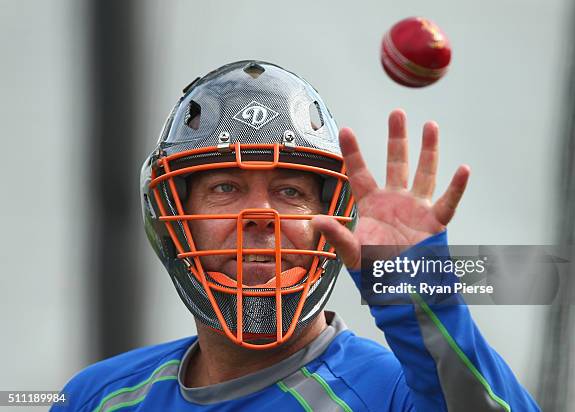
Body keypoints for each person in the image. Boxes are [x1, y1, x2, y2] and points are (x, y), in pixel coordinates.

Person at [53, 61, 540, 411]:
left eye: (289, 191)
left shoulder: (392, 394)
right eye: (226, 188)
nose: (261, 215)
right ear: (173, 215)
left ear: (330, 219)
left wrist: (412, 282)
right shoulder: (96, 397)